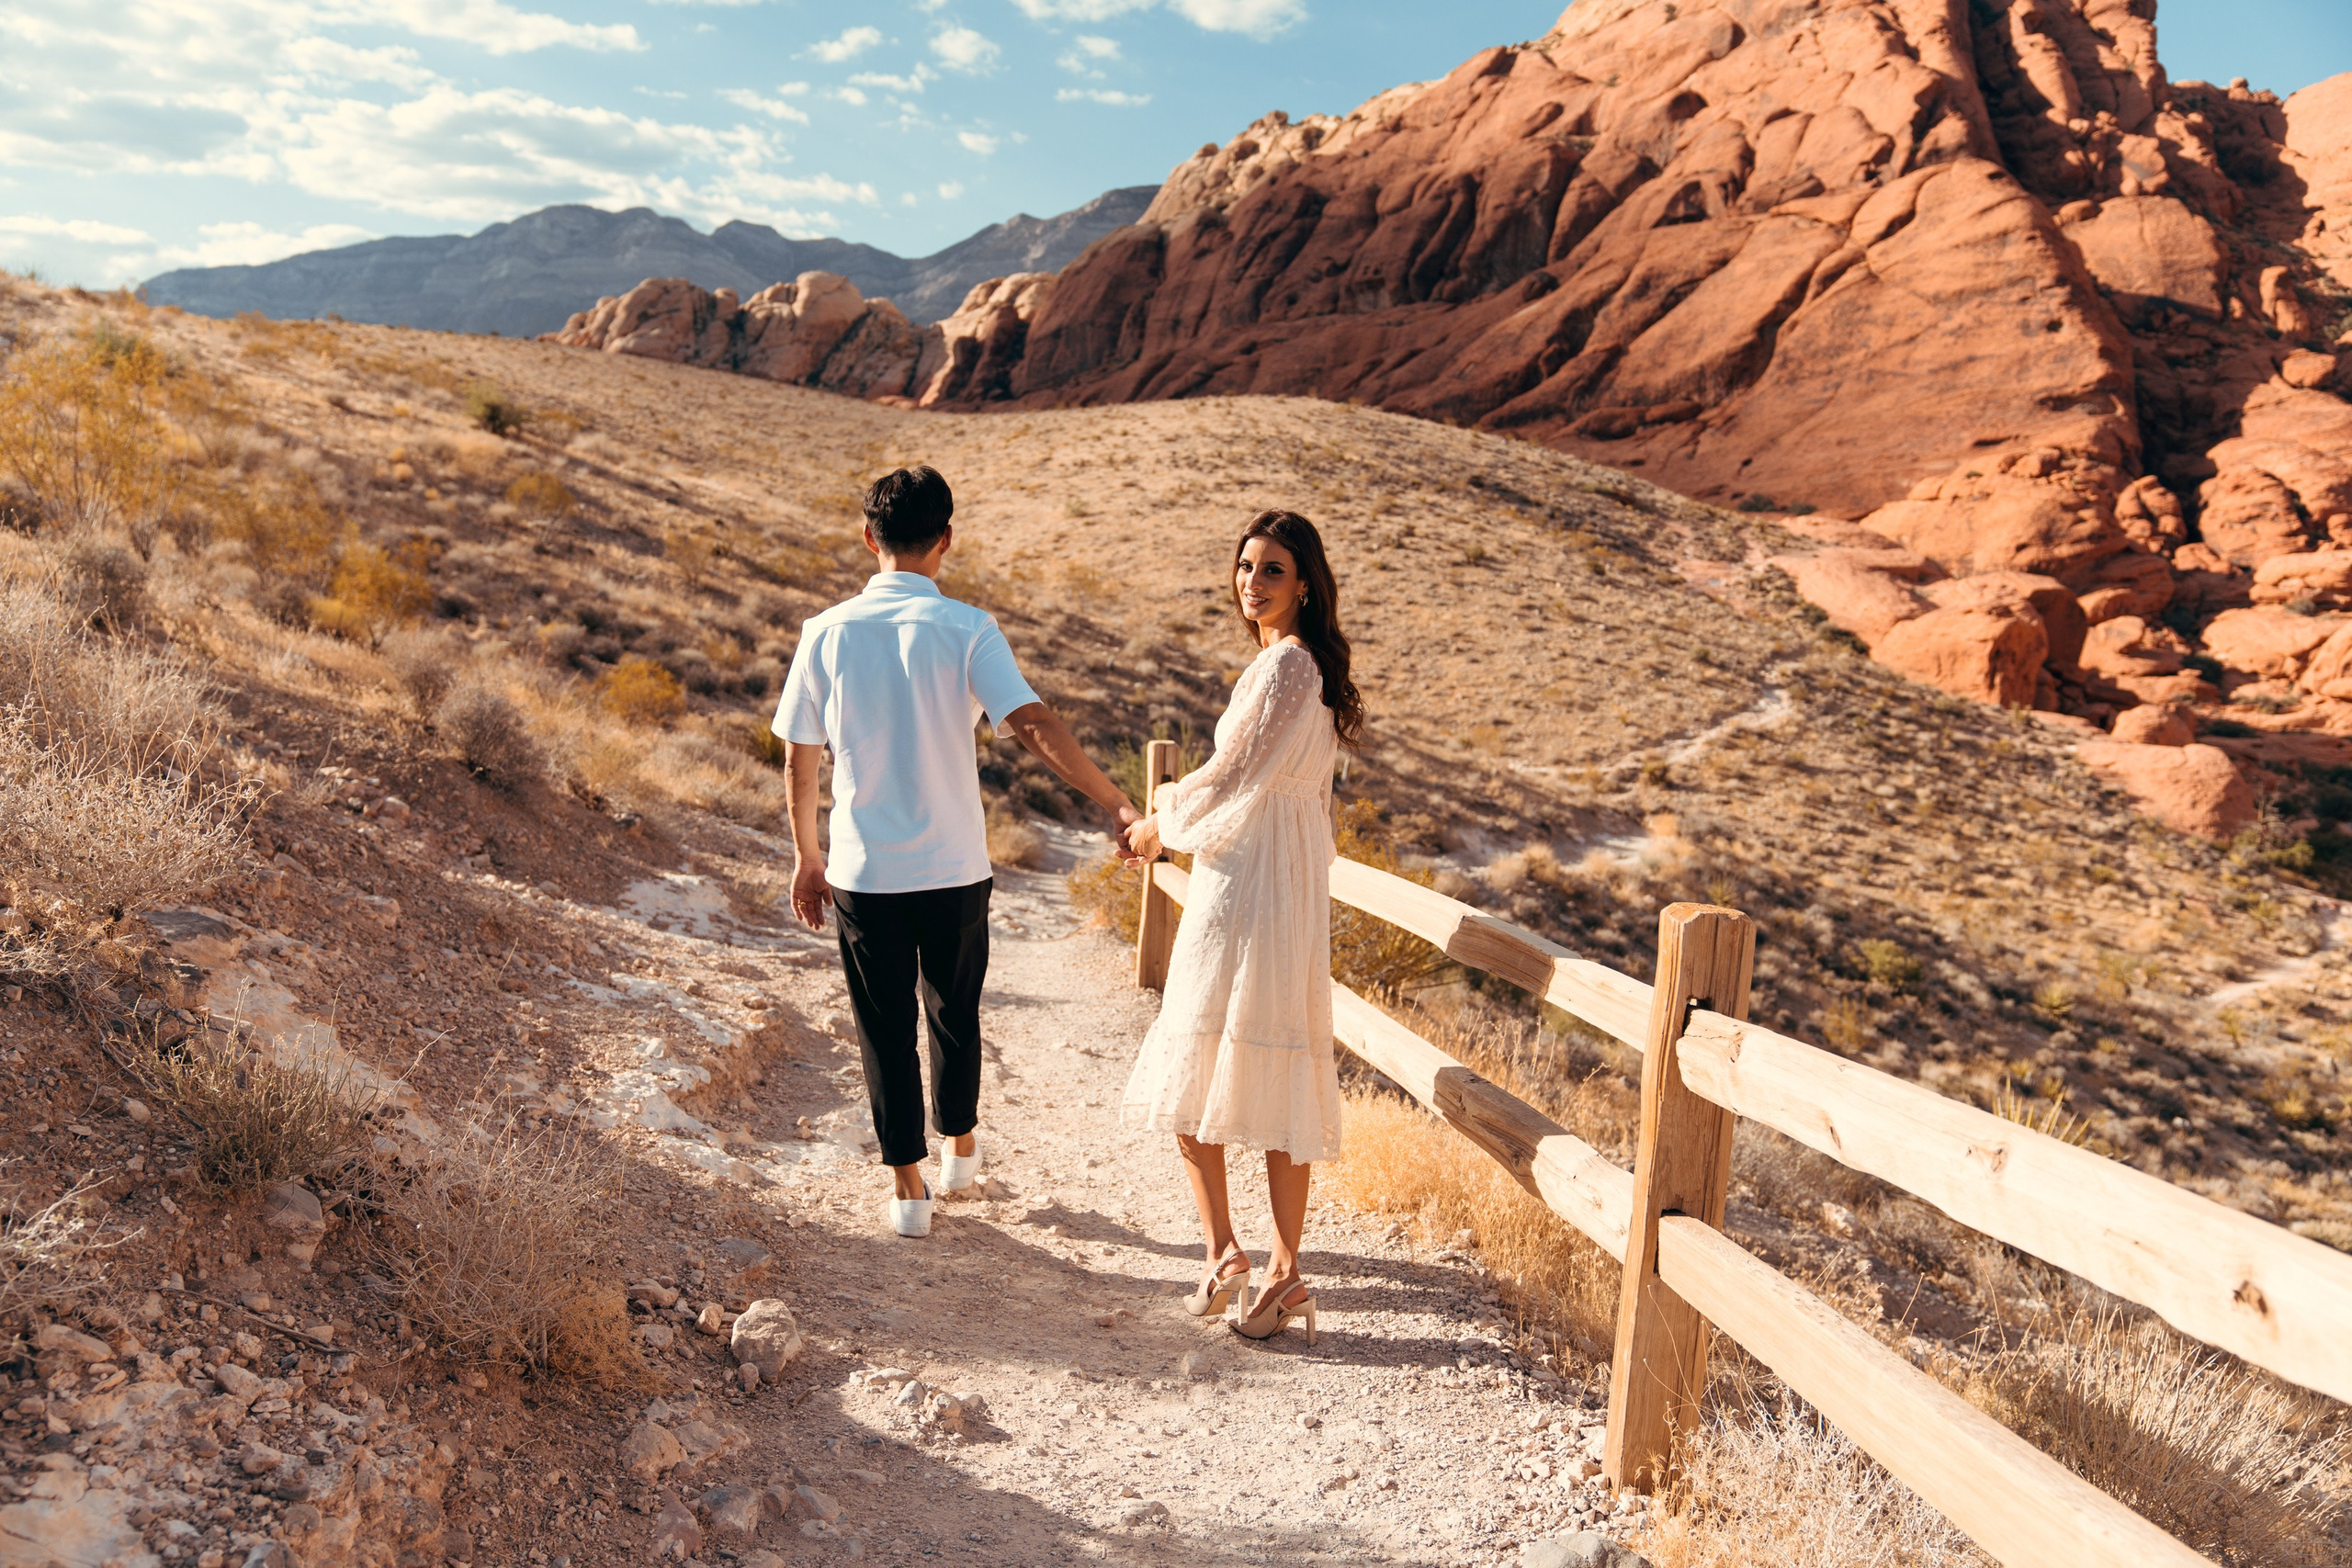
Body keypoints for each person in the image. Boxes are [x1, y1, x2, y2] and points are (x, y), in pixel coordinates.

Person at [776, 466, 1141, 1238]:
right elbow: (1034, 724)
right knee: (954, 1011)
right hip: (954, 867)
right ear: (946, 540)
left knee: (882, 1026)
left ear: (868, 536)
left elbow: (800, 758)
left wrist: (807, 855)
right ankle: (961, 1147)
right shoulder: (970, 628)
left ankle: (908, 1188)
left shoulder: (825, 632)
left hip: (864, 871)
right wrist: (1117, 802)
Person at [1119, 510, 1363, 1344]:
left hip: (1252, 888)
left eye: (1273, 571)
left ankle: (1267, 1263)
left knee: (1209, 1056)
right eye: (1246, 567)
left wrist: (1160, 821)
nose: (1252, 583)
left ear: (1305, 586)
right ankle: (1236, 1257)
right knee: (1244, 1061)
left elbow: (1233, 773)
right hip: (1272, 880)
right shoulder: (1291, 667)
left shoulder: (1287, 667)